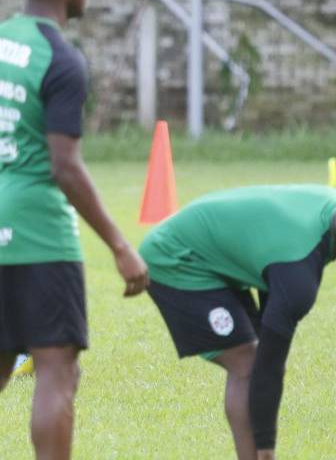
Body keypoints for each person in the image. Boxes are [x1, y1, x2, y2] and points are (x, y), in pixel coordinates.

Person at [0, 0, 148, 460]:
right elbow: (66, 167)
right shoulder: (61, 59)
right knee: (59, 370)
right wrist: (121, 247)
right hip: (40, 233)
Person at [140, 185, 336, 460]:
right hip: (176, 257)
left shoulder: (325, 211)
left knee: (255, 359)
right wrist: (266, 446)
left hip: (217, 251)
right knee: (248, 362)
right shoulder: (297, 276)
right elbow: (269, 366)